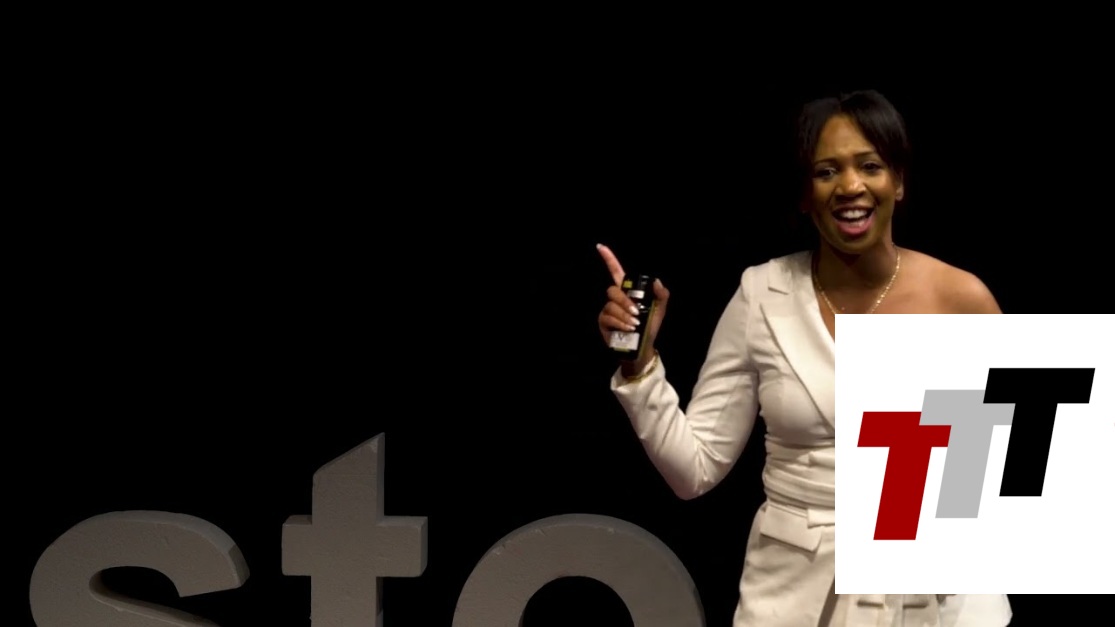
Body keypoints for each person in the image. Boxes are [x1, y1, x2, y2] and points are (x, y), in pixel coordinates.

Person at [595, 90, 1014, 626]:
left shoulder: (962, 300)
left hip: (934, 601)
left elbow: (1008, 478)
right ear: (803, 195)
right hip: (791, 600)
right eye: (826, 171)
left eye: (870, 166)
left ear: (899, 182)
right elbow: (693, 471)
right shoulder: (761, 295)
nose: (851, 186)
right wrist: (640, 365)